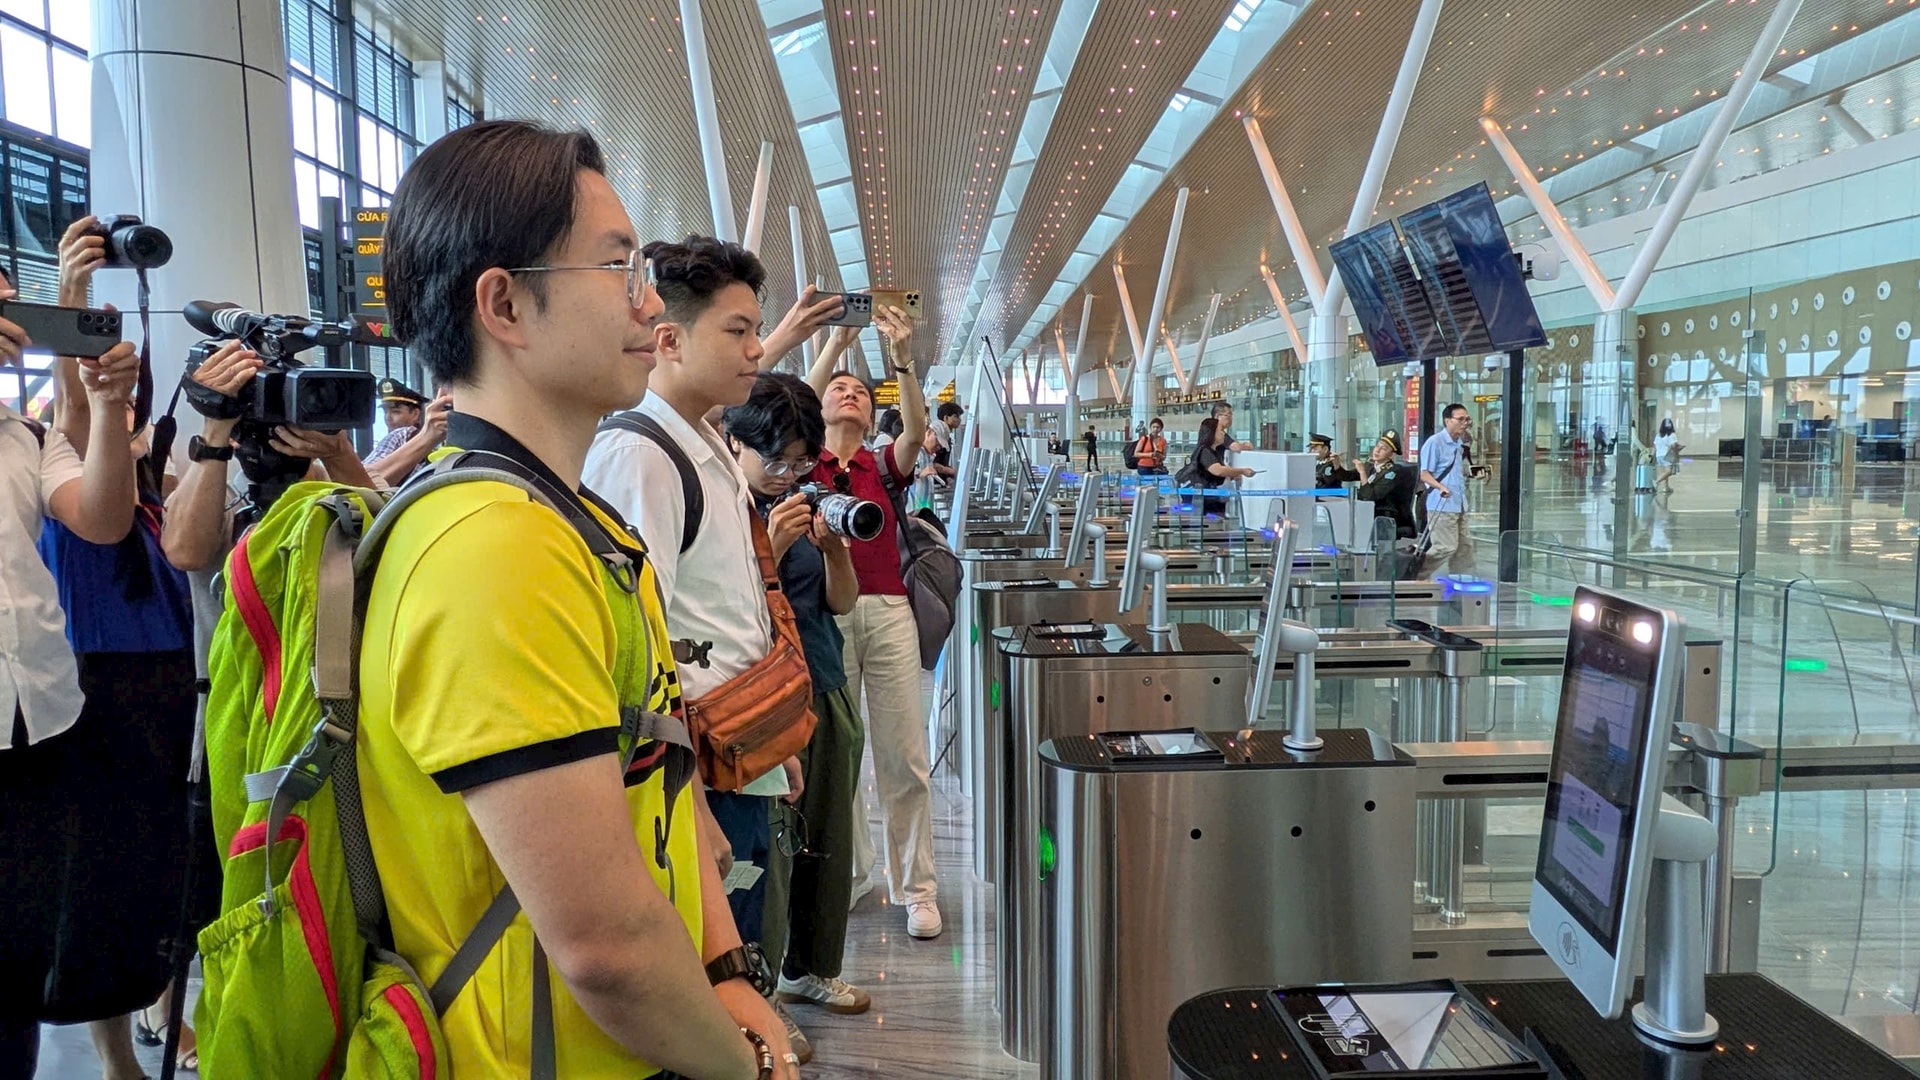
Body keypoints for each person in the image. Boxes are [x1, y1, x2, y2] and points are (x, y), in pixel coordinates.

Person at [366, 119, 794, 1078]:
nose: (651, 303)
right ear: (506, 305)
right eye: (616, 267)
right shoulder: (494, 550)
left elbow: (657, 775)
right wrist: (749, 1068)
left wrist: (724, 967)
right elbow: (607, 949)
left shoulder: (573, 523)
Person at [580, 235, 812, 1058]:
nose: (757, 349)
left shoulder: (701, 441)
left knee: (744, 954)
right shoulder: (640, 454)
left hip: (734, 759)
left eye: (756, 330)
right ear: (671, 340)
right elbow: (637, 646)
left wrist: (770, 748)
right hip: (697, 776)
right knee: (714, 983)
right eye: (738, 331)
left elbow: (717, 618)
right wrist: (691, 798)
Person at [0, 267, 144, 1074]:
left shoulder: (25, 436)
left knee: (22, 943)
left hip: (43, 715)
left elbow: (104, 520)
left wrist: (110, 405)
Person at [723, 374, 874, 1025]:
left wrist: (834, 551)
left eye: (801, 462)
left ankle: (812, 969)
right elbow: (727, 613)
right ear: (735, 443)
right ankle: (759, 998)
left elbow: (841, 603)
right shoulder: (722, 509)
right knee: (770, 854)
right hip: (761, 702)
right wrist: (774, 545)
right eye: (777, 461)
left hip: (825, 683)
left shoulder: (805, 501)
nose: (789, 475)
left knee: (828, 839)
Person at [802, 310, 945, 940]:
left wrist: (902, 361)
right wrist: (835, 342)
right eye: (838, 388)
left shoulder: (883, 465)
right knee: (839, 755)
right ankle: (852, 872)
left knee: (903, 755)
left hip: (887, 610)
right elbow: (788, 411)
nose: (849, 394)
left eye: (860, 390)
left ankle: (917, 888)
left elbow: (914, 430)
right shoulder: (801, 465)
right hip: (822, 617)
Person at [1419, 402, 1476, 577]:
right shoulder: (1435, 442)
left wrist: (1471, 472)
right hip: (1441, 504)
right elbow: (1425, 474)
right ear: (1447, 420)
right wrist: (1440, 487)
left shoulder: (1459, 444)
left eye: (1467, 419)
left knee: (1464, 548)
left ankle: (1461, 580)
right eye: (1461, 419)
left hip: (1459, 503)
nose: (1465, 423)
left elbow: (1454, 471)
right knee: (1445, 547)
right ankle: (1416, 574)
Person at [362, 377, 451, 486]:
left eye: (395, 412)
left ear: (415, 414)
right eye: (385, 412)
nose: (388, 417)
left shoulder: (400, 434)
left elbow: (361, 478)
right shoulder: (435, 445)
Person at [1355, 430, 1417, 539]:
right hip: (1367, 516)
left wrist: (1362, 473)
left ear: (1391, 455)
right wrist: (1336, 465)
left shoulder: (1393, 473)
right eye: (1377, 446)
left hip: (1383, 519)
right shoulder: (1372, 468)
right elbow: (1347, 476)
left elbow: (1370, 496)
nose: (1377, 450)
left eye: (1383, 448)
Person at [1193, 415, 1254, 517]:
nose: (1223, 434)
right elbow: (1218, 470)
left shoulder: (1214, 452)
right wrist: (1242, 471)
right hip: (1206, 502)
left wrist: (1232, 475)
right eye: (1220, 431)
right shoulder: (1205, 451)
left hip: (1213, 500)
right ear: (1212, 433)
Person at [1654, 418, 1683, 494]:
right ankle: (1656, 482)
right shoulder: (1672, 435)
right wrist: (1679, 447)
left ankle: (1666, 487)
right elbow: (1673, 445)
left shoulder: (1658, 435)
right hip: (1667, 455)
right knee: (1669, 471)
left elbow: (1655, 446)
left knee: (1665, 472)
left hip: (1658, 455)